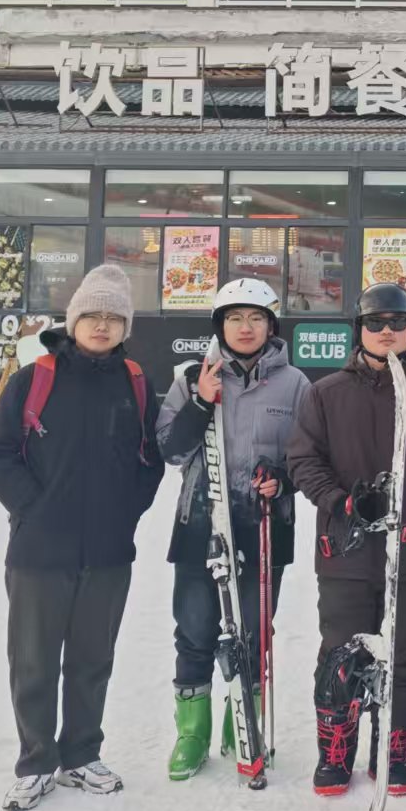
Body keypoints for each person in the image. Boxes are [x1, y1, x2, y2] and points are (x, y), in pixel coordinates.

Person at [0, 263, 165, 811]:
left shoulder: (135, 383)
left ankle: (82, 754)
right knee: (33, 661)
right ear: (74, 319)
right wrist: (31, 508)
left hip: (108, 551)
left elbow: (150, 460)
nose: (102, 325)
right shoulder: (34, 378)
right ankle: (36, 762)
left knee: (92, 658)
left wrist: (125, 514)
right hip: (38, 550)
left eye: (113, 317)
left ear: (125, 327)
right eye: (93, 315)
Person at [288, 283, 406, 798]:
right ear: (358, 329)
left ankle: (392, 746)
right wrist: (342, 503)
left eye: (397, 322)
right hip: (346, 549)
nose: (387, 332)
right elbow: (303, 460)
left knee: (404, 652)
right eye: (375, 323)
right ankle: (335, 749)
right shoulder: (326, 393)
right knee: (342, 649)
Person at [156, 278, 308, 780]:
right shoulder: (191, 376)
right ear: (220, 325)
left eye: (256, 318)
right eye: (235, 318)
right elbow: (169, 449)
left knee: (254, 631)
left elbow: (309, 455)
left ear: (271, 326)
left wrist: (283, 480)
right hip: (202, 522)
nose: (246, 327)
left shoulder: (295, 384)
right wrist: (201, 401)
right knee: (196, 628)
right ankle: (192, 732)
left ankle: (242, 721)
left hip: (264, 525)